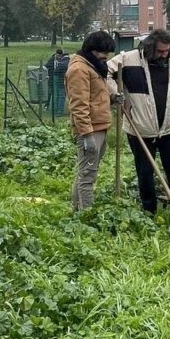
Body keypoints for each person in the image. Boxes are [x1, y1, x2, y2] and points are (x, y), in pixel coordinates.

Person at [107, 29, 170, 214]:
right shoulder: (129, 59)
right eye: (161, 51)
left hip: (169, 129)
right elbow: (105, 72)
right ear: (150, 47)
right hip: (140, 128)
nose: (164, 54)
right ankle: (149, 210)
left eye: (167, 51)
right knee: (145, 173)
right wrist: (116, 95)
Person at [65, 31, 117, 211]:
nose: (106, 58)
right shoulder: (79, 70)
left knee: (85, 173)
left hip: (99, 126)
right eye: (103, 53)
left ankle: (75, 211)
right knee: (87, 176)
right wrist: (87, 135)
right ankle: (85, 217)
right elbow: (79, 105)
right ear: (92, 50)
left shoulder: (93, 66)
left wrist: (112, 97)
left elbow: (95, 96)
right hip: (90, 130)